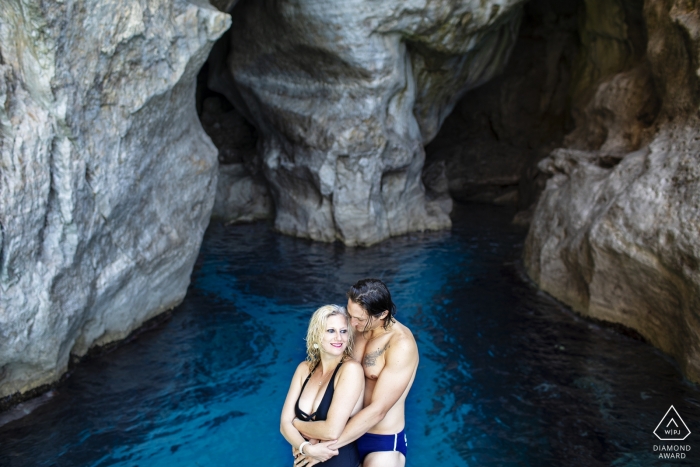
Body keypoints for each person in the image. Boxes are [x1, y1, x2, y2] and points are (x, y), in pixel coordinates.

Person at [295, 278, 419, 467]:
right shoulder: (354, 327)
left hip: (379, 440)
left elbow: (378, 410)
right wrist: (306, 440)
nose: (352, 323)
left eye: (359, 319)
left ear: (383, 314)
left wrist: (324, 448)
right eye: (350, 314)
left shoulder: (400, 344)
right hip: (340, 431)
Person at [281, 305, 364, 466]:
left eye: (343, 331)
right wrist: (307, 448)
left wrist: (296, 424)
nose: (339, 338)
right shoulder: (304, 369)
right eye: (331, 331)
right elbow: (284, 424)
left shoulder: (350, 370)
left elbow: (331, 430)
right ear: (317, 334)